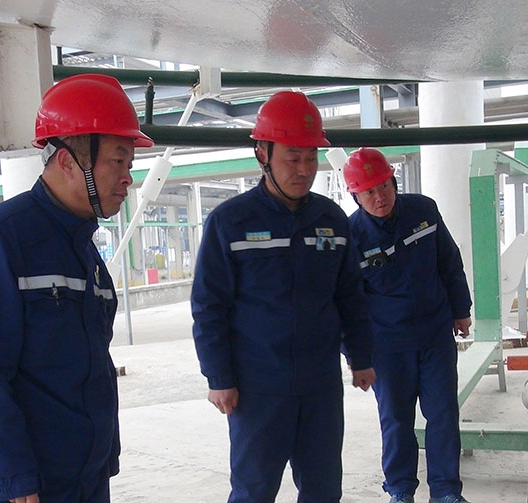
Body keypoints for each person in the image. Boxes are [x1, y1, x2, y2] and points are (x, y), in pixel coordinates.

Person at [0, 74, 153, 503]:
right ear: (67, 161)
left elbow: (94, 364)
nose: (127, 179)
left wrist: (105, 451)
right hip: (27, 485)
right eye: (118, 162)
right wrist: (14, 477)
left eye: (129, 165)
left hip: (84, 476)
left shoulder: (84, 250)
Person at [191, 91, 377, 503]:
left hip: (320, 383)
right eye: (293, 158)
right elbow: (209, 306)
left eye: (311, 157)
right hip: (257, 387)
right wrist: (219, 377)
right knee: (254, 490)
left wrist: (360, 356)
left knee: (323, 488)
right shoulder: (230, 222)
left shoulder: (331, 220)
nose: (304, 169)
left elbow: (349, 294)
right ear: (263, 153)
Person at [342, 148, 472, 503]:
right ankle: (400, 490)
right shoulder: (351, 237)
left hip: (434, 334)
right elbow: (344, 302)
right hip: (387, 345)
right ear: (356, 196)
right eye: (369, 191)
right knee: (396, 419)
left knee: (443, 414)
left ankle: (446, 491)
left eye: (384, 186)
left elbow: (449, 261)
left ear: (394, 182)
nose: (379, 196)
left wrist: (461, 309)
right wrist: (355, 354)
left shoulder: (423, 211)